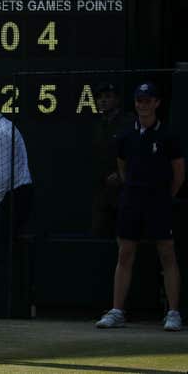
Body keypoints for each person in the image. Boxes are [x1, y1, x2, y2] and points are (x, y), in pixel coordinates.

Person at [96, 82, 185, 331]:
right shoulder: (126, 136)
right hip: (131, 201)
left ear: (156, 103)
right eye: (139, 101)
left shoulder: (169, 136)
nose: (143, 105)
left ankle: (174, 313)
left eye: (147, 101)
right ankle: (117, 311)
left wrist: (164, 197)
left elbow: (179, 173)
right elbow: (123, 168)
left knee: (167, 254)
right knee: (124, 253)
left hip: (159, 202)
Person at [0, 90, 33, 237]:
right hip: (16, 194)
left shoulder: (0, 132)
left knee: (8, 245)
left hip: (15, 197)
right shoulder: (1, 128)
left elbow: (3, 177)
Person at [91, 82, 134, 238]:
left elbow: (136, 154)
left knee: (126, 239)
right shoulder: (97, 126)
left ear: (117, 100)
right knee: (98, 236)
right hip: (103, 192)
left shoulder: (129, 123)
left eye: (108, 97)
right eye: (99, 98)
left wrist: (121, 174)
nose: (103, 101)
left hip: (125, 192)